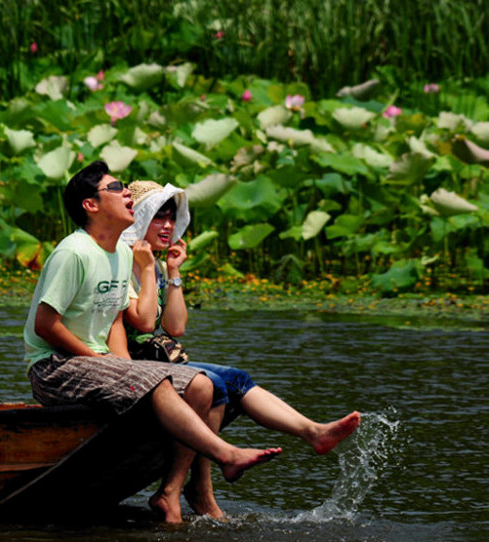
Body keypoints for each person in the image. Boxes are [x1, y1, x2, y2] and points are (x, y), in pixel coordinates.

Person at [23, 161, 282, 523]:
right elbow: (45, 325)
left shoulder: (115, 255)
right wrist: (108, 364)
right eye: (116, 189)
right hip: (54, 366)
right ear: (90, 205)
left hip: (96, 364)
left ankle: (171, 492)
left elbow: (114, 322)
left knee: (202, 386)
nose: (127, 193)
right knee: (155, 380)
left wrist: (123, 364)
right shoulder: (74, 252)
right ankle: (226, 455)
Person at [121, 180, 361, 521]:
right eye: (159, 217)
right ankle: (188, 489)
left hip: (152, 355)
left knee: (235, 378)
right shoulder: (124, 261)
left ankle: (313, 432)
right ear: (140, 218)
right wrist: (146, 268)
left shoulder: (155, 265)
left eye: (172, 218)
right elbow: (144, 325)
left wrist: (173, 273)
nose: (169, 226)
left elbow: (175, 327)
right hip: (130, 361)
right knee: (214, 385)